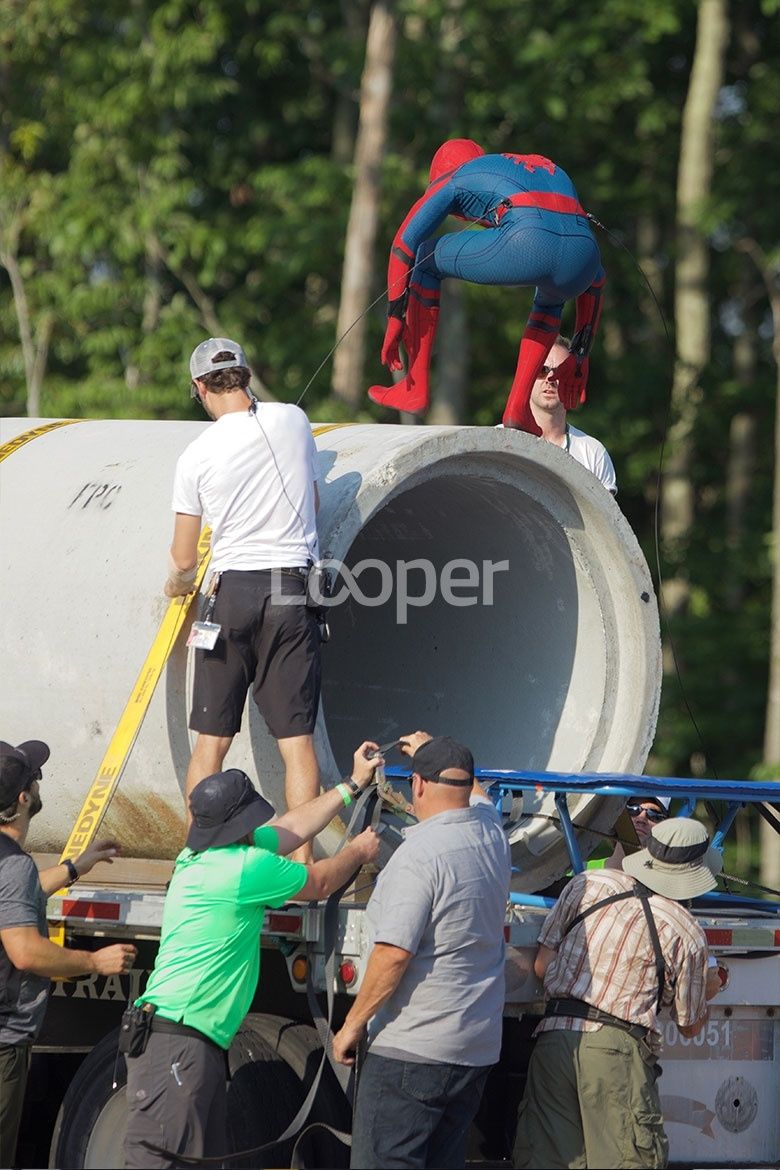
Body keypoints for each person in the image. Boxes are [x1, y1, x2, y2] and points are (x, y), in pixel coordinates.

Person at [123, 741, 382, 1170]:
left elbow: (292, 828)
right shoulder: (243, 868)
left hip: (181, 1041)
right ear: (241, 824)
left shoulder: (200, 855)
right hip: (180, 1044)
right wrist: (358, 850)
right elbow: (317, 882)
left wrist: (351, 786)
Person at [164, 337, 323, 856]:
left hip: (232, 594)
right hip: (293, 593)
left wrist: (176, 585)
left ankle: (200, 859)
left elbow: (186, 558)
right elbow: (315, 498)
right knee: (298, 743)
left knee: (211, 740)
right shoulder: (294, 421)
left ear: (200, 388)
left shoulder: (196, 455)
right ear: (247, 376)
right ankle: (300, 868)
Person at [332, 732, 512, 1170]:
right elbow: (481, 799)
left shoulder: (420, 856)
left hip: (412, 1051)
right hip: (475, 1050)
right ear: (466, 785)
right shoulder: (492, 836)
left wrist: (352, 1025)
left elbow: (393, 955)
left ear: (416, 786)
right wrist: (442, 751)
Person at [513, 816, 724, 1170]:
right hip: (616, 1052)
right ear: (694, 873)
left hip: (554, 1038)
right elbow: (688, 1025)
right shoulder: (686, 930)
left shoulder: (587, 884)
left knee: (547, 1161)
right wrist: (713, 986)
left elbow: (541, 967)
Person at [368, 140, 605, 434]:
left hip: (528, 240)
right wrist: (580, 356)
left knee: (425, 259)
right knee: (550, 300)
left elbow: (404, 246)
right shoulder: (534, 165)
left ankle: (413, 387)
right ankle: (517, 408)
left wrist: (395, 315)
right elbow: (596, 279)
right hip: (585, 254)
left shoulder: (455, 176)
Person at [0, 739, 136, 1169]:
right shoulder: (12, 866)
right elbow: (23, 951)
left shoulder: (10, 868)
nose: (40, 785)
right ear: (24, 798)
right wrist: (95, 963)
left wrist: (77, 867)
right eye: (34, 779)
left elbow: (15, 899)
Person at [527, 335, 616, 494]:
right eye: (542, 370)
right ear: (528, 376)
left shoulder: (593, 452)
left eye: (561, 372)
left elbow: (604, 518)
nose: (550, 378)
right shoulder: (499, 439)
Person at [600, 795, 671, 869]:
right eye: (632, 809)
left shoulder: (665, 879)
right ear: (617, 814)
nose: (641, 818)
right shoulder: (587, 869)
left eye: (653, 815)